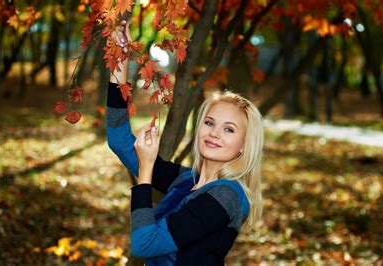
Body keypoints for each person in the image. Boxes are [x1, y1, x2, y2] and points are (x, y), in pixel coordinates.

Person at [106, 20, 264, 265]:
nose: (214, 133)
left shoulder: (227, 195)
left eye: (229, 129)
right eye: (210, 123)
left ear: (244, 144)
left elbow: (144, 244)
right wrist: (119, 59)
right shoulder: (185, 180)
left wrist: (146, 171)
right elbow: (119, 140)